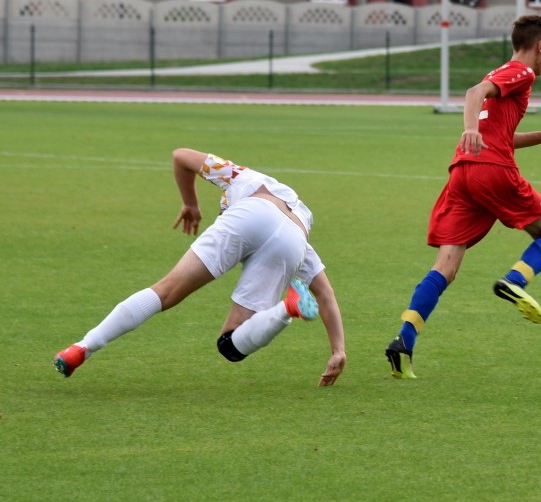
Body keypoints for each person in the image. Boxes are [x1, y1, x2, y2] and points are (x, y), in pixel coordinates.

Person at [385, 14, 541, 379]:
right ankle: (514, 281)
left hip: (463, 174)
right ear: (539, 46)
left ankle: (403, 342)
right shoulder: (523, 72)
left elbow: (501, 135)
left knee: (446, 268)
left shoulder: (502, 71)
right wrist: (470, 127)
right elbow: (474, 93)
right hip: (492, 172)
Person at [54, 148, 346, 387]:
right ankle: (287, 309)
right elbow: (325, 293)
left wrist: (190, 204)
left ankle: (82, 347)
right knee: (230, 345)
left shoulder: (241, 177)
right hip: (293, 242)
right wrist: (338, 350)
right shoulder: (298, 223)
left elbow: (180, 155)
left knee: (165, 292)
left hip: (251, 212)